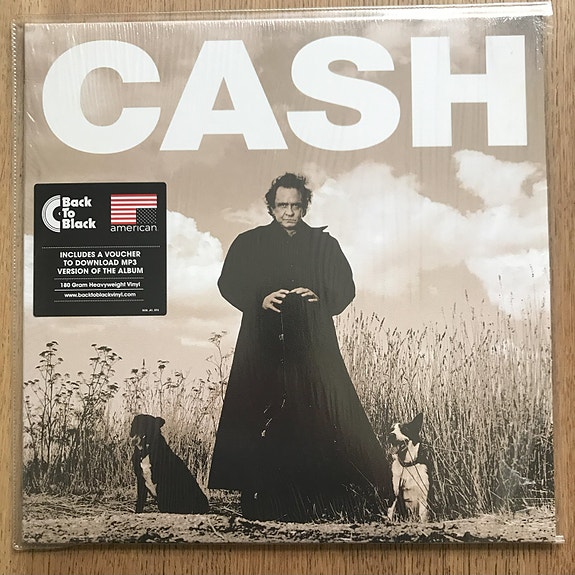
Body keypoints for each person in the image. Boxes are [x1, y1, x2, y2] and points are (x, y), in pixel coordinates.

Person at [208, 173, 392, 521]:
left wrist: (321, 297)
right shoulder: (249, 242)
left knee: (318, 411)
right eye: (282, 206)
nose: (289, 212)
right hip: (262, 343)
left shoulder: (325, 245)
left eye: (295, 205)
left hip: (312, 344)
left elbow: (345, 288)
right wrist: (259, 299)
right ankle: (258, 500)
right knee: (260, 411)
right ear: (271, 207)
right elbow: (228, 282)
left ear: (304, 206)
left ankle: (323, 499)